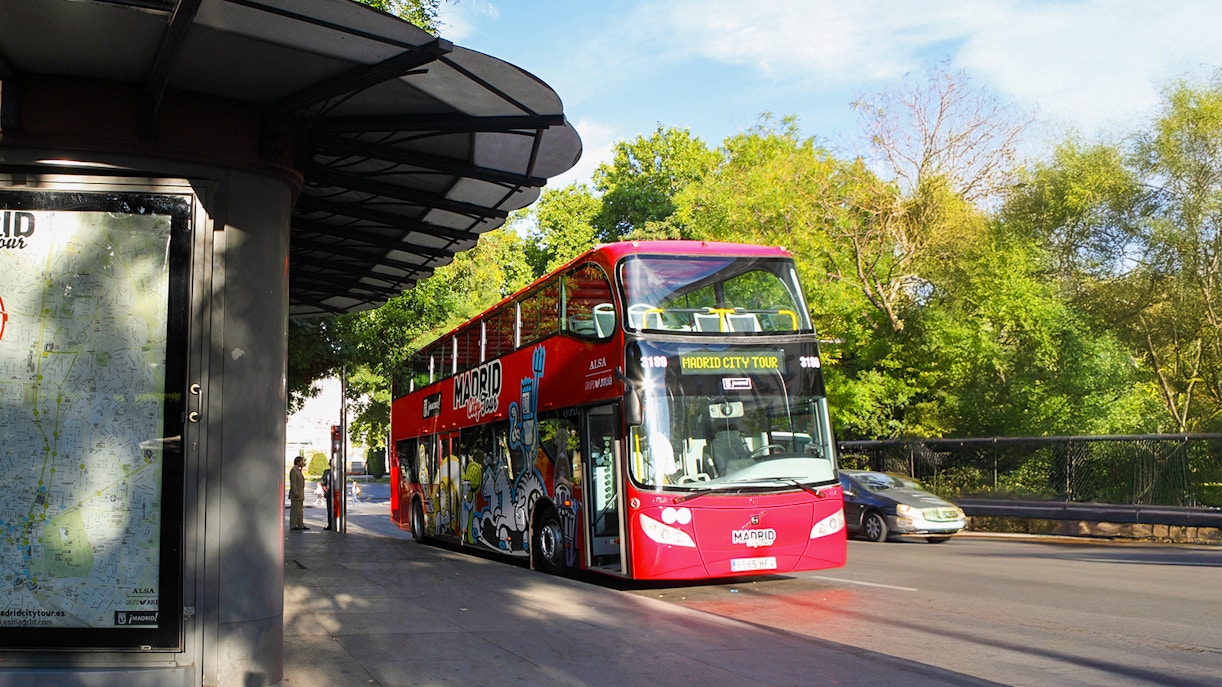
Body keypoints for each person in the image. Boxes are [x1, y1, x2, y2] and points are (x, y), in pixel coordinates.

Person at [289, 456, 309, 531]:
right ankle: (293, 525)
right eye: (301, 461)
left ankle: (301, 524)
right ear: (298, 462)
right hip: (296, 495)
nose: (302, 463)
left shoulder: (298, 470)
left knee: (300, 511)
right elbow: (293, 483)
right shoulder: (294, 470)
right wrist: (295, 492)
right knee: (295, 510)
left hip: (300, 494)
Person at [321, 466, 333, 530]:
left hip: (336, 494)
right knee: (329, 509)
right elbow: (322, 480)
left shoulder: (338, 472)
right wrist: (324, 486)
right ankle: (330, 524)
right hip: (329, 493)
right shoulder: (327, 472)